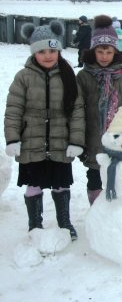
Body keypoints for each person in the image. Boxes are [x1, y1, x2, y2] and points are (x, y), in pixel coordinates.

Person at [4, 20, 85, 240]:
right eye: (41, 51)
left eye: (52, 50)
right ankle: (35, 225)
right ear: (33, 52)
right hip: (31, 142)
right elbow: (13, 109)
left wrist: (77, 141)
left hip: (60, 142)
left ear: (58, 49)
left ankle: (64, 222)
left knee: (61, 184)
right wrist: (12, 138)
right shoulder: (23, 77)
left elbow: (77, 110)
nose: (47, 55)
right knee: (34, 183)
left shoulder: (68, 77)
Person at [76, 14, 122, 205]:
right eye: (100, 51)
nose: (104, 56)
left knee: (118, 172)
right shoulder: (84, 76)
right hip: (94, 134)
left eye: (108, 52)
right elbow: (77, 108)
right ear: (93, 51)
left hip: (119, 135)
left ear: (115, 52)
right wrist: (79, 138)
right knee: (95, 174)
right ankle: (96, 211)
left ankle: (115, 210)